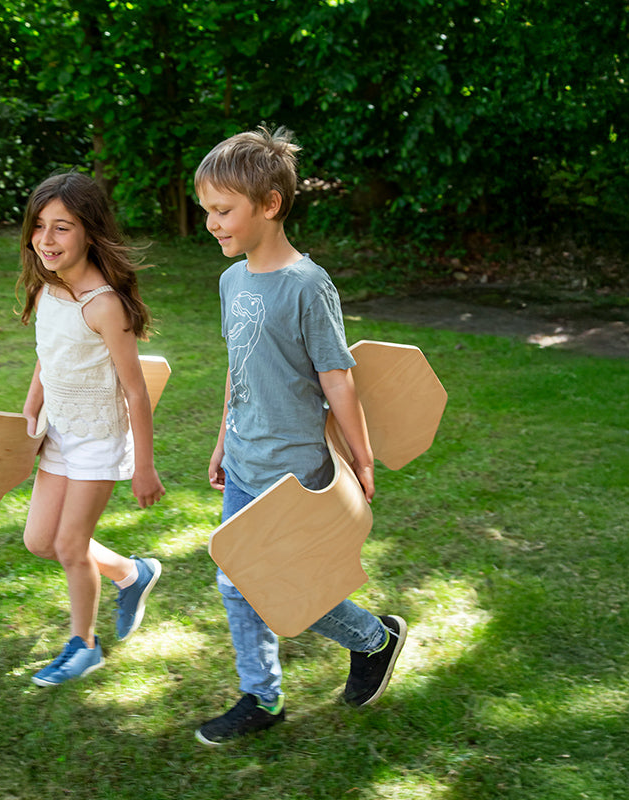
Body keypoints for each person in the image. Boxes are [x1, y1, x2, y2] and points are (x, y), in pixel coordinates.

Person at [193, 127, 407, 744]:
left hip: (294, 472)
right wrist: (222, 441)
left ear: (270, 204)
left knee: (279, 586)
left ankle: (373, 639)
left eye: (223, 210)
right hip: (244, 462)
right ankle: (262, 697)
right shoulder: (232, 282)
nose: (211, 223)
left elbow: (338, 379)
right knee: (239, 583)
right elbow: (239, 368)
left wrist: (362, 461)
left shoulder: (308, 286)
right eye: (207, 210)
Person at [16, 171, 165, 687]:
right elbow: (48, 357)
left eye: (62, 227)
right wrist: (29, 415)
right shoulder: (47, 290)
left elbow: (136, 392)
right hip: (58, 433)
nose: (46, 239)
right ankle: (132, 573)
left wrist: (143, 467)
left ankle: (84, 646)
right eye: (39, 226)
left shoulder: (104, 305)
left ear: (90, 231)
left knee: (70, 546)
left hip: (99, 440)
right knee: (41, 541)